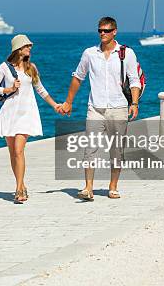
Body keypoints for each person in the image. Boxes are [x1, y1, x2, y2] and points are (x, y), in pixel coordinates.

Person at [59, 17, 141, 201]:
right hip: (95, 108)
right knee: (90, 149)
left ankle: (113, 186)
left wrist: (134, 103)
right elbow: (78, 77)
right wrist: (68, 102)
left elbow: (134, 80)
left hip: (119, 107)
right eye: (100, 30)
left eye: (106, 30)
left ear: (115, 31)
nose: (102, 33)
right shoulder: (89, 53)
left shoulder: (126, 53)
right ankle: (88, 188)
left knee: (116, 150)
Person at [0, 34, 62, 204]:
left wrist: (55, 105)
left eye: (30, 46)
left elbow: (41, 90)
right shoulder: (4, 67)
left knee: (18, 151)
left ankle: (18, 189)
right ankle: (21, 186)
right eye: (27, 46)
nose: (30, 48)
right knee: (12, 154)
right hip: (9, 113)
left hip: (26, 113)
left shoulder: (32, 68)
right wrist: (8, 89)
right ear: (18, 49)